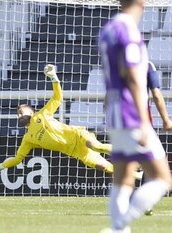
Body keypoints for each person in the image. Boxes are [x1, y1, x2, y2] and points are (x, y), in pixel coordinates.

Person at [99, 0, 172, 232]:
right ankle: (118, 225)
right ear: (142, 2)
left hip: (114, 113)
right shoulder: (128, 30)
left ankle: (118, 229)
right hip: (131, 115)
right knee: (163, 179)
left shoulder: (108, 29)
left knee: (122, 179)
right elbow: (131, 76)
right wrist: (143, 121)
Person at [0, 64, 130, 178]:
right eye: (18, 115)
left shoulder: (42, 115)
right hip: (75, 151)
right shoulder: (28, 139)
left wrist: (53, 77)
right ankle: (137, 175)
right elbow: (17, 159)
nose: (19, 116)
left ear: (31, 112)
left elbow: (57, 98)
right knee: (105, 167)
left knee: (95, 146)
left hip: (78, 135)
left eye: (21, 112)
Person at [142, 61, 172, 216]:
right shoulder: (146, 65)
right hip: (141, 124)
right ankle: (144, 203)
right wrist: (166, 120)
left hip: (120, 124)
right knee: (161, 168)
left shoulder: (116, 63)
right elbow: (156, 94)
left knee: (125, 169)